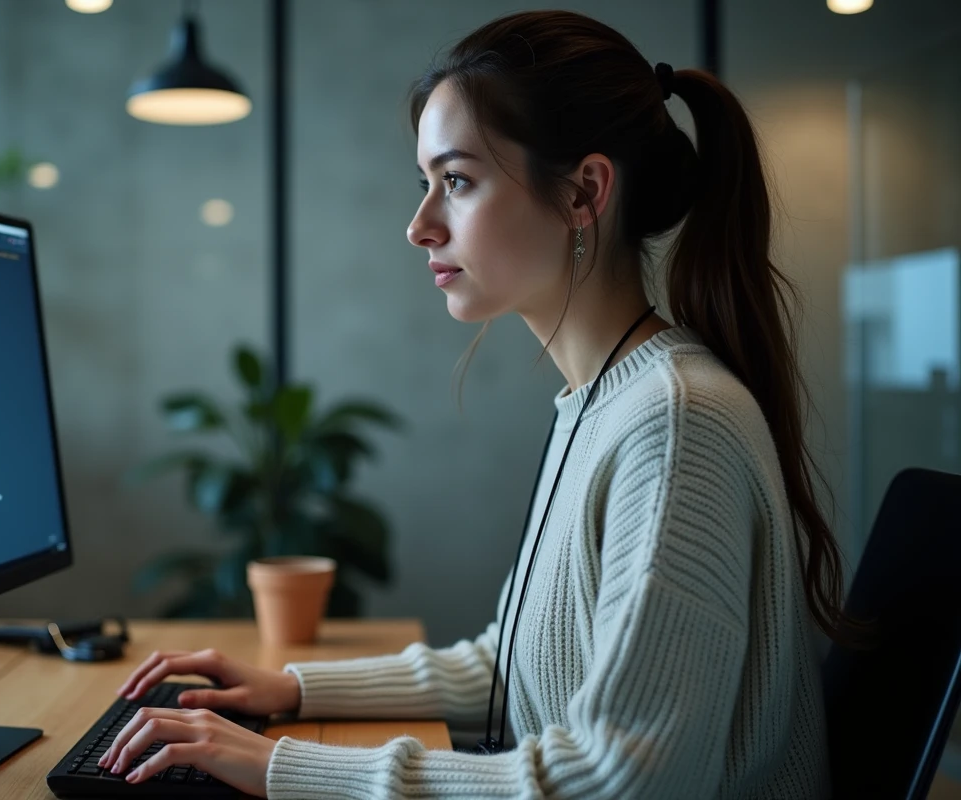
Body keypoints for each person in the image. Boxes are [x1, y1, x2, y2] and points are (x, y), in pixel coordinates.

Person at [98, 9, 858, 798]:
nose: (419, 225)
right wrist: (290, 690)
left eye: (456, 182)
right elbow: (513, 661)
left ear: (584, 193)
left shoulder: (673, 423)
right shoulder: (603, 401)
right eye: (426, 184)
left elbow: (615, 781)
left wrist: (280, 765)